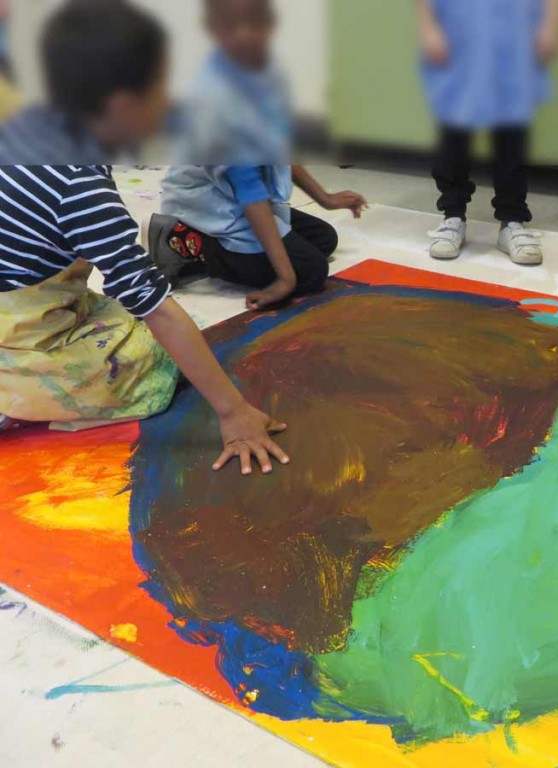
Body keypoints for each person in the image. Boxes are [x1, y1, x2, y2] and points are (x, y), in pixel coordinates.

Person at [0, 0, 288, 474]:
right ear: (120, 102)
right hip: (18, 330)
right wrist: (234, 412)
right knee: (151, 364)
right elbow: (152, 305)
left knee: (141, 324)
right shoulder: (78, 185)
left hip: (27, 293)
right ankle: (17, 398)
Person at [152, 0, 367, 312]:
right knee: (310, 272)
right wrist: (284, 279)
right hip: (212, 205)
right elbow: (249, 191)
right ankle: (188, 242)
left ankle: (217, 249)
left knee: (324, 239)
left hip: (237, 197)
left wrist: (326, 199)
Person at [417, 0, 558, 265]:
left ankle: (512, 220)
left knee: (512, 123)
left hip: (517, 22)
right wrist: (428, 25)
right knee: (454, 119)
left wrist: (550, 24)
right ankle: (452, 215)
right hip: (458, 22)